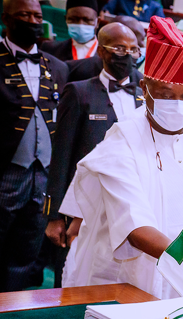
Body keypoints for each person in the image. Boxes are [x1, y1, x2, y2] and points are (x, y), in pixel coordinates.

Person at [62, 16, 183, 299]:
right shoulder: (123, 139)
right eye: (167, 94)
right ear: (145, 89)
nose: (178, 105)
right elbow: (136, 226)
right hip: (124, 280)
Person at [42, 23, 144, 286]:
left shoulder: (144, 95)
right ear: (102, 50)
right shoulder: (79, 92)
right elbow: (61, 155)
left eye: (134, 49)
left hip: (127, 200)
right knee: (71, 271)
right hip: (81, 204)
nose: (128, 54)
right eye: (120, 48)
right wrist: (54, 216)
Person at [0, 0, 69, 292]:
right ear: (7, 19)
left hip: (43, 172)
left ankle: (13, 313)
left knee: (29, 249)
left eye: (37, 16)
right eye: (24, 15)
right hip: (6, 170)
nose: (32, 20)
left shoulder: (58, 67)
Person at [66, 15, 146, 82]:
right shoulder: (76, 70)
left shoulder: (140, 80)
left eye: (134, 49)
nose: (144, 45)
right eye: (121, 48)